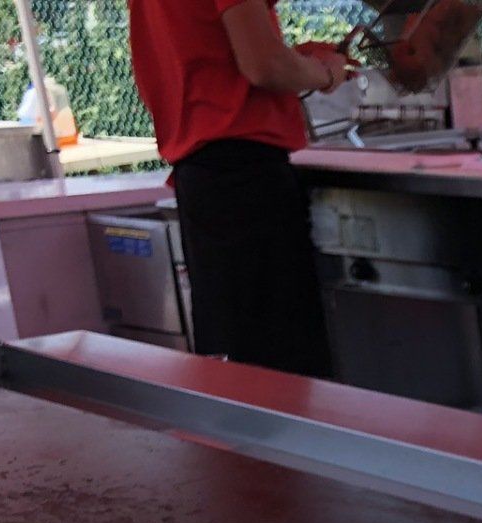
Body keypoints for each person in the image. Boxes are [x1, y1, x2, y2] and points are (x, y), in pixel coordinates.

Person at [128, 0, 348, 377]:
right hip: (245, 176)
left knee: (234, 360)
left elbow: (215, 58)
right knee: (281, 363)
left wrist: (293, 60)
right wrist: (324, 72)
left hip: (203, 175)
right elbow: (264, 66)